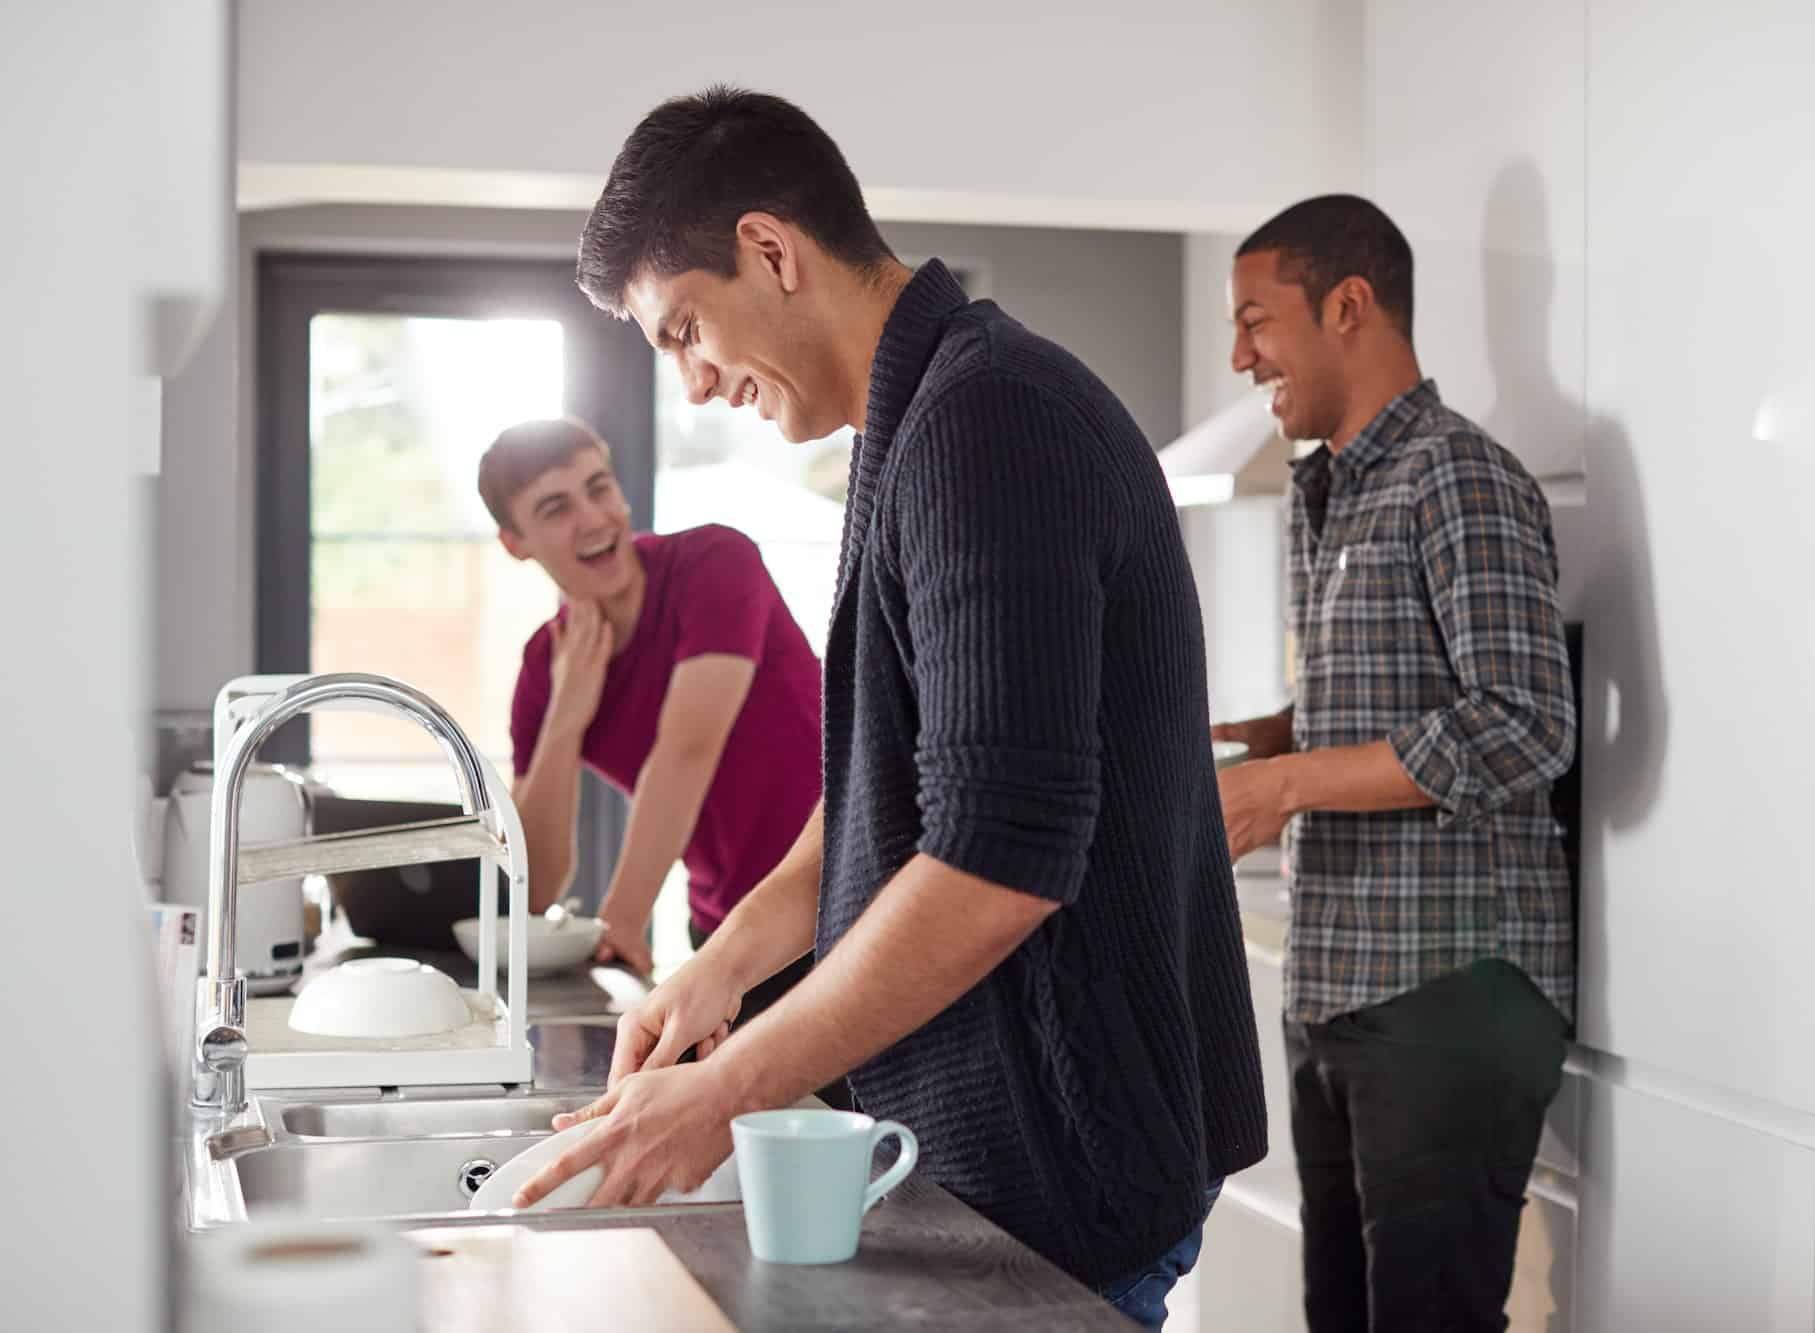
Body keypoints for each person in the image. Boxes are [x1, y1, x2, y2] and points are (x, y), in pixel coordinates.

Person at [512, 87, 1266, 1328]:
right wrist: (722, 968)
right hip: (1003, 1158)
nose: (694, 384)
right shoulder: (915, 421)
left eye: (685, 329)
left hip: (1060, 1171)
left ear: (770, 249)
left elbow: (995, 861)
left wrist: (723, 1093)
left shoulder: (989, 422)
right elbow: (896, 789)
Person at [1211, 195, 1576, 1332]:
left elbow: (1523, 721)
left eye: (1254, 320)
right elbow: (1396, 695)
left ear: (1347, 305)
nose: (1238, 355)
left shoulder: (1455, 475)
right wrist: (1254, 740)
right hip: (1341, 988)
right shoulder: (1332, 489)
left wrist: (1280, 786)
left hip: (1448, 996)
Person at [482, 418, 826, 1040]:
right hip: (723, 931)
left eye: (600, 487)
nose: (593, 518)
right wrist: (566, 717)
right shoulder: (545, 666)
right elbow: (537, 882)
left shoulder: (715, 562)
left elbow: (687, 751)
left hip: (837, 902)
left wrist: (621, 921)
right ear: (516, 542)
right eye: (556, 508)